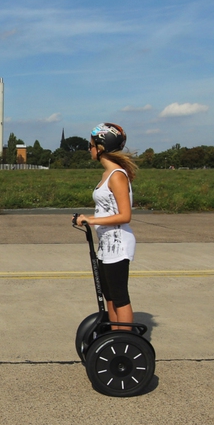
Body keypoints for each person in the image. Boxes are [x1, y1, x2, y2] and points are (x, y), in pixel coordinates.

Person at [75, 123, 138, 330]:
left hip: (118, 244)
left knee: (119, 297)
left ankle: (125, 342)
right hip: (106, 243)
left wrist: (91, 220)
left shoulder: (117, 175)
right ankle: (114, 336)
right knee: (109, 296)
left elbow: (125, 215)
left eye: (91, 144)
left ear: (101, 147)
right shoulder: (107, 175)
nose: (89, 148)